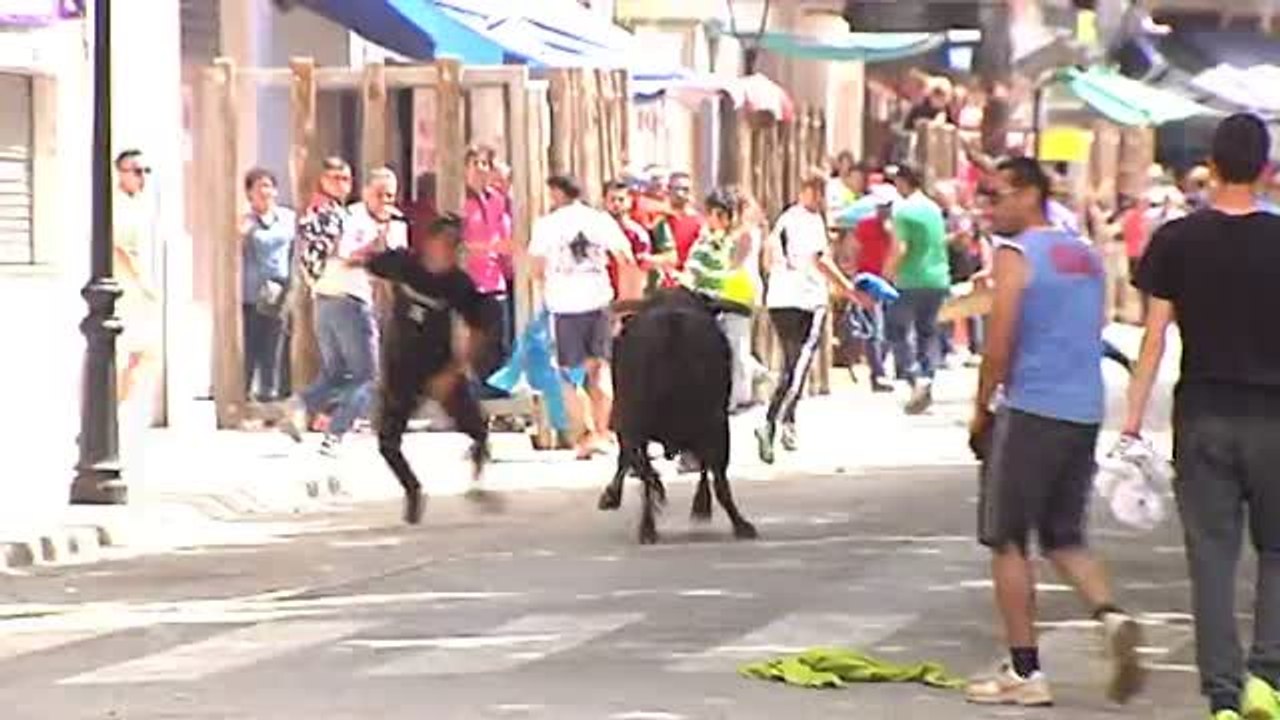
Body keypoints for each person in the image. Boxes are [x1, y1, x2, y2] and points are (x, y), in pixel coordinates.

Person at [966, 156, 1144, 708]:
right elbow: (1089, 328)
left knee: (1007, 539)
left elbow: (999, 344)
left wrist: (981, 408)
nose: (987, 207)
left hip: (1031, 408)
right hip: (1083, 410)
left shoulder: (1017, 255)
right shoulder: (1085, 256)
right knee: (1064, 535)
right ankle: (1110, 615)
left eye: (996, 196)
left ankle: (1026, 670)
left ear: (1028, 193)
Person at [1124, 113, 1280, 720]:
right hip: (1276, 418)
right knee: (1278, 552)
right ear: (1267, 170)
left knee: (1212, 557)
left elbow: (1155, 338)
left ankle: (1222, 696)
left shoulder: (1176, 240)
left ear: (1211, 166)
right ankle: (1267, 678)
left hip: (1205, 416)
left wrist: (1133, 420)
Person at [358, 214, 500, 525]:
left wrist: (455, 371)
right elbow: (366, 262)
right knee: (387, 441)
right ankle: (412, 490)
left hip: (439, 367)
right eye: (446, 243)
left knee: (476, 428)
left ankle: (478, 462)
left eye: (456, 246)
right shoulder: (404, 265)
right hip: (400, 368)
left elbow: (478, 328)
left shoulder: (459, 284)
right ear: (430, 243)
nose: (451, 251)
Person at [754, 169, 863, 464]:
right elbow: (820, 261)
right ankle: (771, 421)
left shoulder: (785, 218)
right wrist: (849, 290)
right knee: (797, 366)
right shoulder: (810, 221)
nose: (819, 198)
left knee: (793, 364)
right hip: (804, 300)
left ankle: (788, 421)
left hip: (779, 299)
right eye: (816, 191)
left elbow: (767, 256)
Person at [277, 158, 385, 457]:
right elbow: (344, 253)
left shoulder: (311, 212)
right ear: (321, 180)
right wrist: (375, 248)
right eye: (335, 178)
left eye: (346, 178)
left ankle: (301, 404)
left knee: (335, 373)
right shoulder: (335, 214)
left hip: (323, 300)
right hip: (349, 298)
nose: (341, 183)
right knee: (367, 376)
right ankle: (335, 434)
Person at [530, 175, 636, 460]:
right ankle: (602, 433)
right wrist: (624, 301)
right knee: (600, 369)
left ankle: (586, 433)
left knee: (567, 374)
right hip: (598, 299)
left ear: (555, 193)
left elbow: (537, 267)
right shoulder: (600, 220)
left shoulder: (547, 224)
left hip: (565, 305)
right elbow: (626, 258)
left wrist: (550, 287)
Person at [885, 164, 950, 414]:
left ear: (903, 182)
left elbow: (900, 248)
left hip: (911, 278)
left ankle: (914, 377)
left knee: (895, 329)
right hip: (937, 277)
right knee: (927, 332)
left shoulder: (903, 210)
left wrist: (887, 274)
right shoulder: (934, 209)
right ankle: (927, 377)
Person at [461, 144, 515, 399]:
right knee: (475, 346)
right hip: (468, 282)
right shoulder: (460, 199)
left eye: (486, 164)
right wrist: (488, 246)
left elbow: (504, 237)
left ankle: (496, 397)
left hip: (496, 280)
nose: (482, 169)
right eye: (476, 163)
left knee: (499, 344)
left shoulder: (497, 200)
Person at [239, 167, 296, 403]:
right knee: (252, 343)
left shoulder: (288, 217)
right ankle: (245, 393)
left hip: (280, 288)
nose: (265, 191)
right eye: (259, 186)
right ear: (249, 193)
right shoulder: (246, 221)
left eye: (269, 186)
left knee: (276, 343)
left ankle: (270, 393)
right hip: (254, 290)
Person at [113, 149, 162, 410]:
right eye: (136, 171)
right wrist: (140, 281)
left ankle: (117, 407)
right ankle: (111, 409)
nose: (142, 176)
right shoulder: (118, 205)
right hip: (126, 288)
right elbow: (118, 246)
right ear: (121, 174)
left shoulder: (141, 203)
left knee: (144, 354)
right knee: (133, 352)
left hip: (141, 288)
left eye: (145, 171)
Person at [602, 179, 653, 302]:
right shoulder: (596, 230)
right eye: (612, 199)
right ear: (604, 201)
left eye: (621, 199)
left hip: (628, 298)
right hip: (601, 296)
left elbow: (641, 268)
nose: (616, 204)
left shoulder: (637, 234)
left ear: (629, 201)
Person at [650, 171, 704, 282]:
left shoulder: (700, 223)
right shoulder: (658, 220)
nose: (680, 193)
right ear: (668, 190)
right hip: (661, 284)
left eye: (685, 189)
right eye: (676, 189)